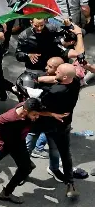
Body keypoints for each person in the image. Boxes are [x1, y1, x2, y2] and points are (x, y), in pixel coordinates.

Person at [35, 63, 81, 198]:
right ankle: (70, 182)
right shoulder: (75, 81)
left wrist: (36, 83)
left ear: (65, 76)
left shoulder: (55, 92)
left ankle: (24, 169)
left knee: (28, 143)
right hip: (64, 125)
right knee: (64, 153)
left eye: (58, 72)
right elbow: (55, 79)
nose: (55, 73)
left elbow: (38, 108)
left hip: (49, 125)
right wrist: (40, 79)